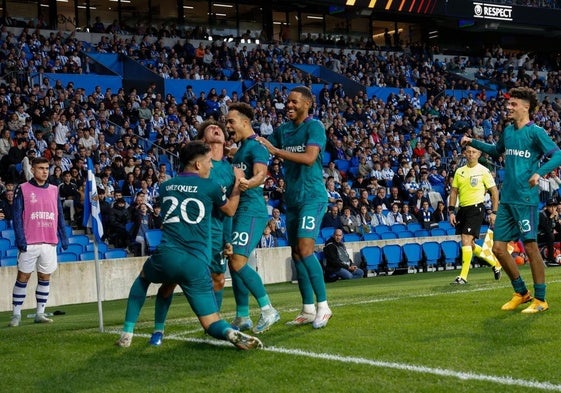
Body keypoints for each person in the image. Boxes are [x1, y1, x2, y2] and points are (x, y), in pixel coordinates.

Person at [115, 141, 262, 350]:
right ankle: (229, 332)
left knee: (143, 279)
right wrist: (237, 186)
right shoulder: (210, 186)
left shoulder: (166, 186)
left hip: (166, 257)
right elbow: (229, 211)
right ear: (198, 165)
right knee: (210, 322)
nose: (211, 166)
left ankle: (127, 332)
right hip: (196, 263)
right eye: (209, 162)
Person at [462, 86, 561, 313]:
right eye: (508, 104)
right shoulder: (508, 131)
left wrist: (539, 172)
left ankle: (541, 299)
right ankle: (522, 293)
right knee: (498, 248)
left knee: (531, 247)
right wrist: (472, 142)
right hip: (507, 199)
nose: (508, 107)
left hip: (525, 200)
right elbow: (496, 151)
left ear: (526, 107)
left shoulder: (535, 132)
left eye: (513, 104)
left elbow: (558, 154)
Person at [148, 120, 239, 346]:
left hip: (216, 233)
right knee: (170, 281)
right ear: (202, 141)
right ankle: (158, 330)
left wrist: (228, 238)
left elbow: (227, 211)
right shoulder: (198, 167)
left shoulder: (230, 168)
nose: (217, 129)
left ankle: (213, 322)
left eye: (219, 127)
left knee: (218, 279)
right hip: (188, 234)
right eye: (210, 128)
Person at [258, 86, 332, 329]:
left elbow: (310, 157)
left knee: (305, 248)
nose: (288, 105)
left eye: (293, 102)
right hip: (292, 198)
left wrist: (277, 151)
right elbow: (262, 149)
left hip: (313, 196)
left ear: (307, 104)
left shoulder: (315, 126)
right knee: (297, 253)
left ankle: (324, 306)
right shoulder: (283, 130)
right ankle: (308, 308)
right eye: (286, 102)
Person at [225, 102, 280, 334]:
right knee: (234, 261)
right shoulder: (242, 148)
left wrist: (250, 182)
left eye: (231, 121)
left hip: (251, 210)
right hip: (239, 209)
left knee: (237, 261)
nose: (227, 126)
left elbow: (261, 174)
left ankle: (268, 310)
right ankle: (242, 316)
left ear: (245, 122)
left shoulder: (256, 146)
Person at [8, 157, 69, 327]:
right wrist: (20, 238)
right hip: (29, 241)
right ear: (33, 170)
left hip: (49, 241)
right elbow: (17, 216)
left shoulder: (54, 189)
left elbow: (59, 215)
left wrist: (63, 237)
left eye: (46, 168)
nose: (44, 171)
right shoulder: (23, 188)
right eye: (40, 168)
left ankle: (40, 312)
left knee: (44, 277)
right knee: (23, 277)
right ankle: (16, 314)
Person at [448, 145, 501, 285]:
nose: (471, 154)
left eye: (474, 152)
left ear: (479, 154)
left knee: (465, 239)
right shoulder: (459, 171)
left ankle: (463, 277)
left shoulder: (484, 171)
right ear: (465, 153)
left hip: (477, 208)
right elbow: (453, 192)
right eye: (468, 152)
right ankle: (494, 264)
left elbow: (494, 192)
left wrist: (494, 212)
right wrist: (451, 211)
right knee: (469, 244)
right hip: (463, 209)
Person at [538, 198, 561, 265]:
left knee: (552, 235)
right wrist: (551, 218)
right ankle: (550, 260)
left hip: (549, 236)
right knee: (550, 235)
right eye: (551, 206)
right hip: (540, 236)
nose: (553, 208)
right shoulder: (542, 215)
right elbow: (547, 229)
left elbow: (559, 229)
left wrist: (557, 221)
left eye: (554, 206)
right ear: (547, 207)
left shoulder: (555, 215)